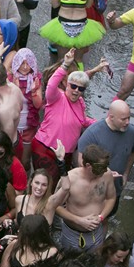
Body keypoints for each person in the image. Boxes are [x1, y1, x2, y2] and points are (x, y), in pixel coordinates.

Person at [31, 49, 94, 179]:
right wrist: (65, 65)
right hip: (46, 149)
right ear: (67, 84)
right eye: (73, 86)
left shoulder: (80, 102)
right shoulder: (56, 96)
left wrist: (102, 124)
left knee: (60, 186)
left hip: (66, 153)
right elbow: (51, 85)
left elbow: (82, 120)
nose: (76, 91)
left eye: (81, 88)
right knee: (48, 184)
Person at [55, 144, 116, 252]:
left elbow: (111, 198)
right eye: (100, 167)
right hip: (72, 234)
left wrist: (101, 217)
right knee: (70, 263)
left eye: (106, 166)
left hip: (96, 233)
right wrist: (79, 221)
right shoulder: (70, 179)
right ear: (88, 165)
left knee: (94, 262)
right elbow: (56, 207)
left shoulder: (107, 175)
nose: (104, 170)